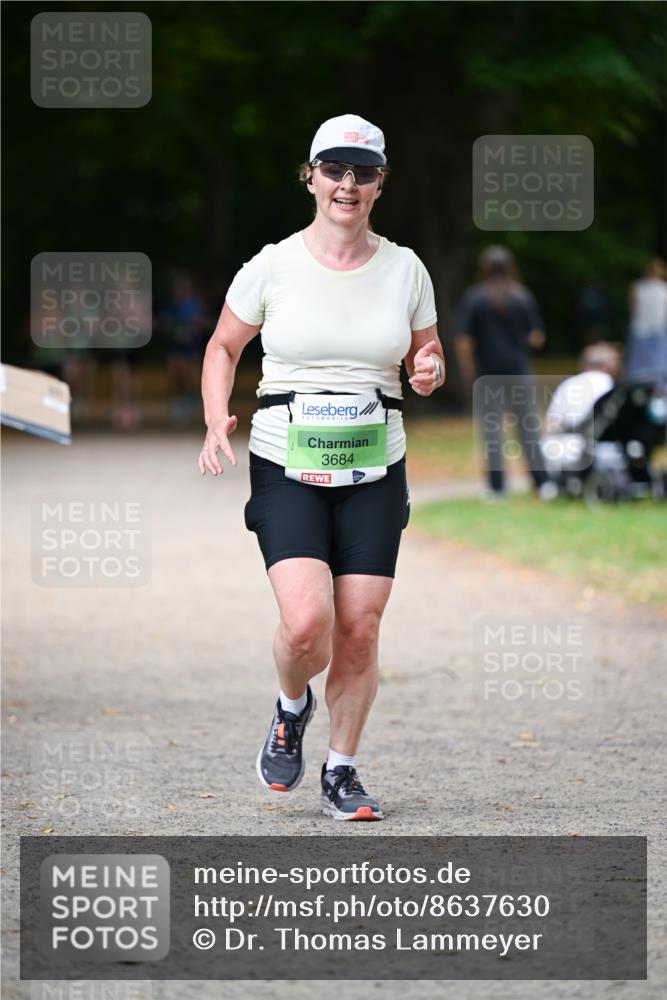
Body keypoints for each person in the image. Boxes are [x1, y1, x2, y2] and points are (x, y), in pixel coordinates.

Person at [198, 114, 443, 820]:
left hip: (375, 468)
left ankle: (342, 770)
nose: (347, 184)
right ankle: (290, 702)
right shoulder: (272, 265)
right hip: (287, 462)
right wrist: (215, 417)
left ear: (379, 184)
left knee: (359, 627)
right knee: (308, 623)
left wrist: (428, 370)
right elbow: (222, 347)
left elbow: (426, 358)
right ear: (310, 178)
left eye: (362, 173)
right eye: (334, 170)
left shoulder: (406, 269)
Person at [453, 245, 554, 500]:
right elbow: (537, 337)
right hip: (518, 371)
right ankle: (542, 483)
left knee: (492, 430)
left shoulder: (475, 298)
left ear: (484, 269)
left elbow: (463, 340)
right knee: (528, 427)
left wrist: (468, 369)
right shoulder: (521, 296)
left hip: (487, 373)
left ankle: (497, 487)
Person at [625, 257, 667, 385]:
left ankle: (655, 382)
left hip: (655, 327)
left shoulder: (661, 287)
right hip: (644, 327)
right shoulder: (640, 287)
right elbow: (632, 307)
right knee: (647, 358)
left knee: (655, 358)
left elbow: (632, 307)